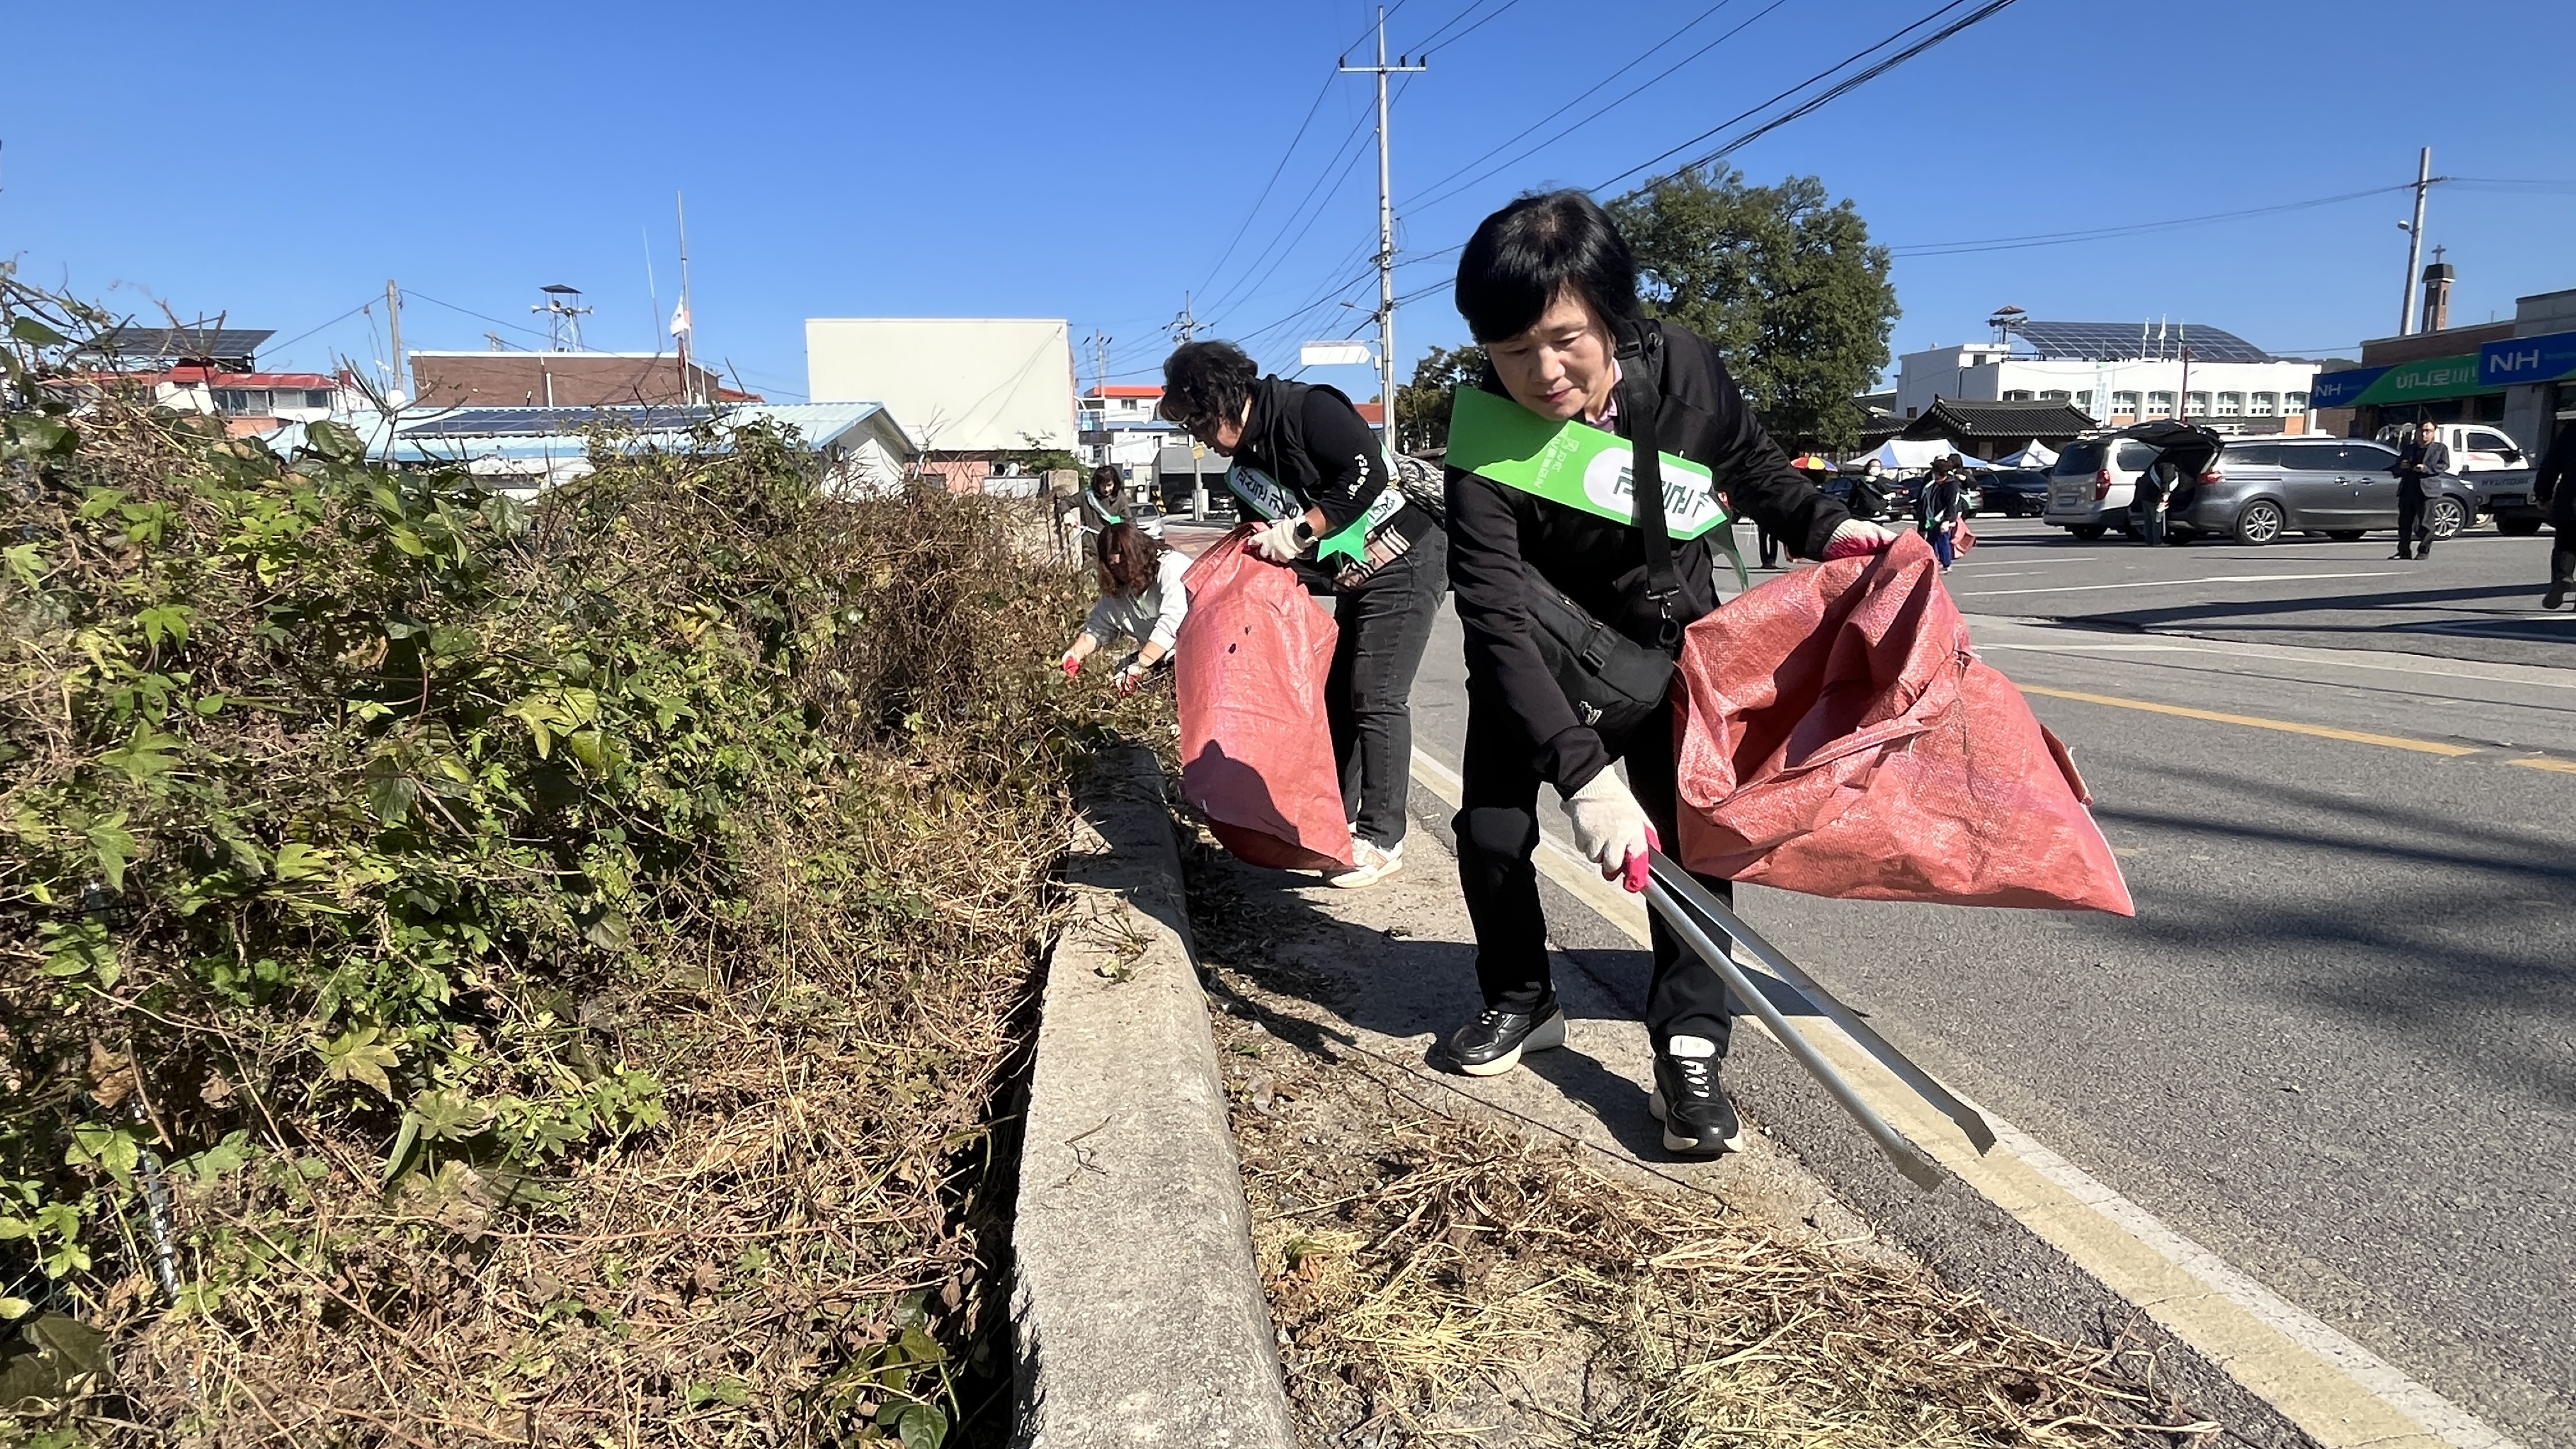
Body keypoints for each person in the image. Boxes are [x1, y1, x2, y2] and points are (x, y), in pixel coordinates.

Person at [1441, 190, 1899, 1154]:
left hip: (1664, 648)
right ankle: (1522, 997)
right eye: (1511, 350)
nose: (1541, 371)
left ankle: (1691, 1043)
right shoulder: (1482, 435)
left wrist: (1826, 527)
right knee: (1488, 832)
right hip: (1536, 655)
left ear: (1613, 314)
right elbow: (1490, 612)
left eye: (1564, 339)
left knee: (1693, 851)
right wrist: (1583, 777)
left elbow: (1755, 466)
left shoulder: (1681, 367)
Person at [1160, 339, 1446, 889]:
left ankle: (1383, 837)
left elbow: (1366, 476)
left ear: (1220, 401)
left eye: (1198, 427)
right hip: (1353, 573)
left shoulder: (1308, 408)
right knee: (1337, 697)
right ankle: (1331, 824)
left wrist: (1301, 529)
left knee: (1377, 693)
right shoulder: (1243, 472)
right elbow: (1264, 546)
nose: (1200, 442)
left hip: (1406, 554)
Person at [1060, 516, 1189, 695]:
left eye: (1125, 563)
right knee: (1120, 678)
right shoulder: (1119, 592)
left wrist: (1141, 664)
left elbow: (1173, 622)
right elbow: (1098, 628)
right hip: (1160, 662)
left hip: (1195, 656)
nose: (1122, 572)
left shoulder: (1171, 567)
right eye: (1114, 567)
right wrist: (1075, 654)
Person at [2391, 420, 2450, 560]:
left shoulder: (2440, 449)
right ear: (2416, 433)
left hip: (2427, 490)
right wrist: (2402, 467)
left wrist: (2426, 469)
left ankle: (2424, 551)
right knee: (2405, 523)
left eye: (2428, 431)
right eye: (2422, 431)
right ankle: (2404, 551)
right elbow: (2396, 467)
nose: (2424, 434)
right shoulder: (2409, 449)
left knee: (2426, 523)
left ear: (2434, 433)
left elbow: (2444, 465)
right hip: (2408, 489)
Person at [2536, 417, 2576, 610]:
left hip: (2571, 498)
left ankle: (2563, 577)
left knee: (2565, 542)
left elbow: (2551, 463)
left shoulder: (2572, 430)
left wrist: (2542, 494)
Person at [1916, 455, 1967, 569]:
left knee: (1943, 542)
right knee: (1930, 542)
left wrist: (1948, 520)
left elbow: (1952, 504)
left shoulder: (1951, 485)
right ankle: (1933, 563)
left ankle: (1946, 564)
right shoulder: (1933, 485)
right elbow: (1925, 501)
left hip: (1942, 518)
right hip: (1931, 518)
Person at [2133, 453, 2174, 547]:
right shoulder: (2168, 466)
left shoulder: (2153, 466)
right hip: (2155, 496)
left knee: (2148, 520)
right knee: (2157, 519)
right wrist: (2166, 494)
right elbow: (2166, 481)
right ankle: (2157, 541)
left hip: (2144, 495)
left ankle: (2149, 540)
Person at [1850, 458, 1891, 522]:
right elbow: (1853, 497)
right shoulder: (1860, 482)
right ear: (1868, 468)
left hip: (1878, 513)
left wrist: (1875, 482)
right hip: (1864, 514)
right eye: (1874, 466)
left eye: (1878, 467)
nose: (1876, 469)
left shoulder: (1883, 481)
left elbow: (1887, 491)